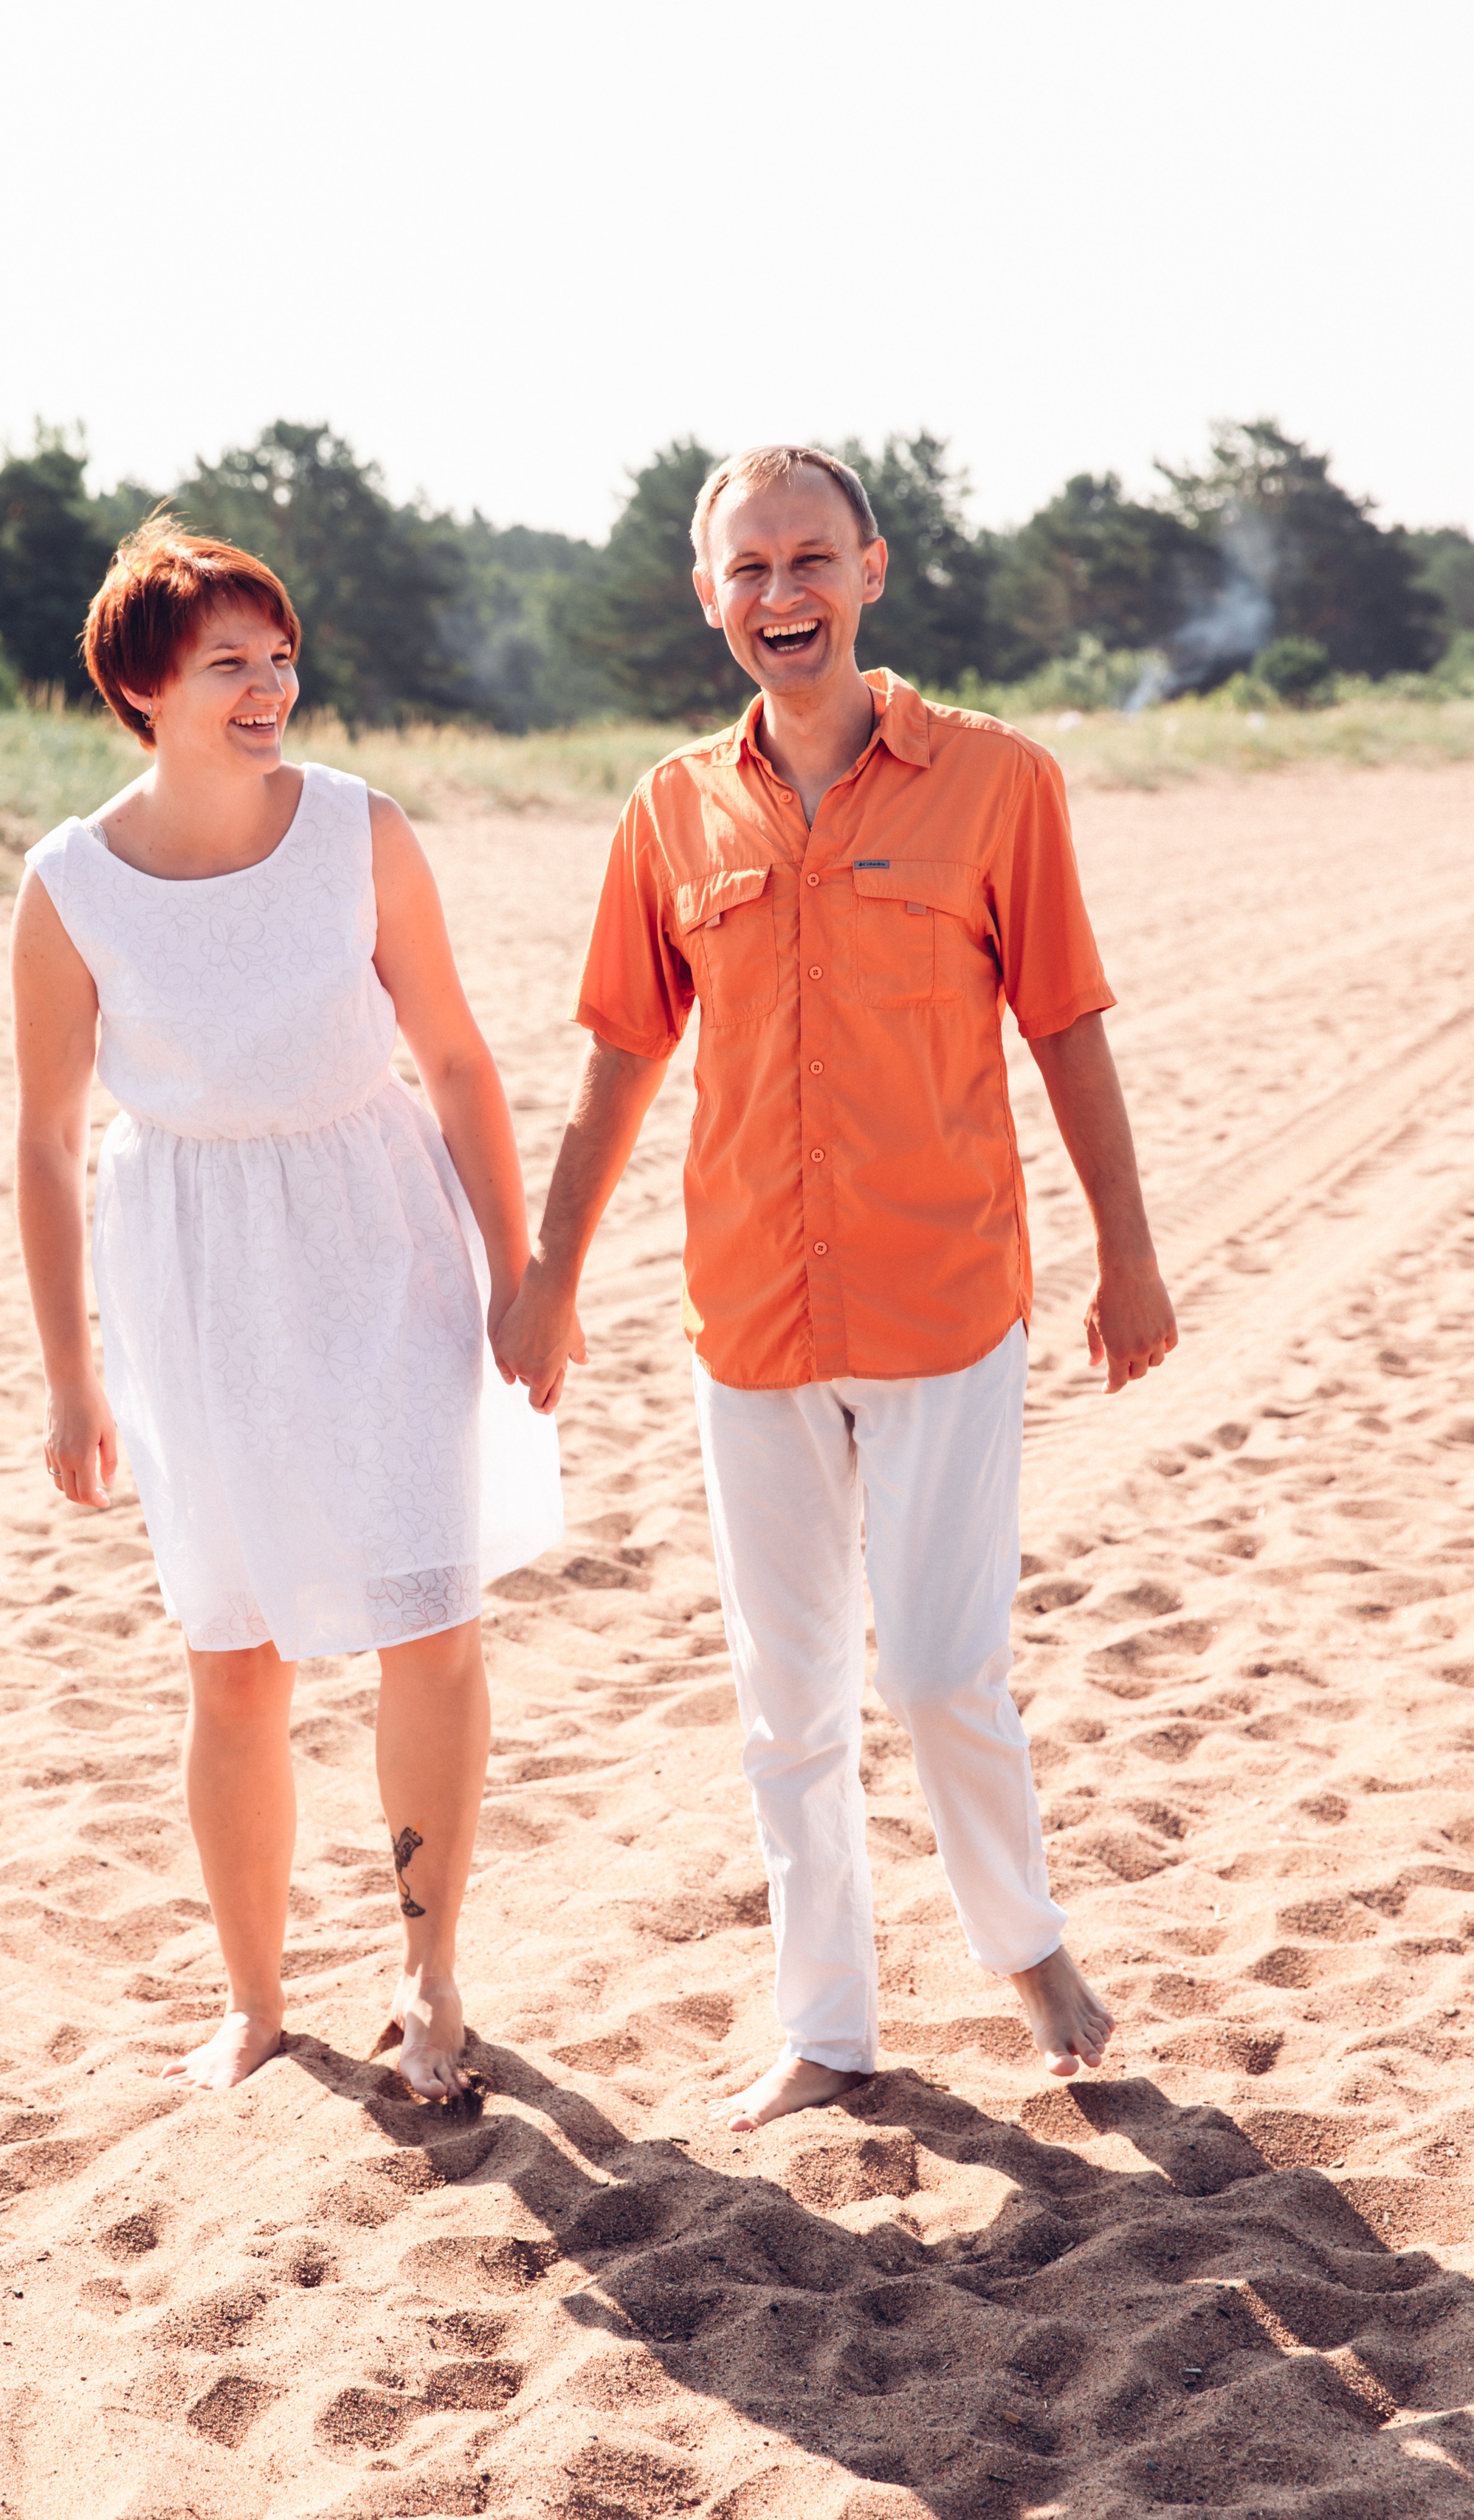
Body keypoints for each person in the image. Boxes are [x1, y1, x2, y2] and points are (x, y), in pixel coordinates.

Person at [496, 445, 1177, 2132]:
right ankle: (825, 2029)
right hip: (751, 1320)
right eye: (747, 570)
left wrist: (1129, 1255)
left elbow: (1065, 1025)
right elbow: (618, 1060)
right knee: (783, 1702)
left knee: (942, 1670)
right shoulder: (669, 809)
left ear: (871, 570)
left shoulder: (998, 782)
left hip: (946, 1301)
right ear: (706, 595)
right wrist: (546, 1279)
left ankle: (1023, 1948)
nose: (779, 595)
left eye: (810, 560)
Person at [12, 519, 561, 2103]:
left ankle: (427, 1969)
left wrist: (518, 1273)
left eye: (280, 657)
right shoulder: (69, 888)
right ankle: (254, 2001)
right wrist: (71, 1381)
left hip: (380, 1237)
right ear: (143, 686)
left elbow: (455, 1059)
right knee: (232, 1656)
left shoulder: (357, 832)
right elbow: (45, 1146)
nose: (270, 689)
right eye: (229, 665)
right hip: (190, 1276)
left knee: (425, 1616)